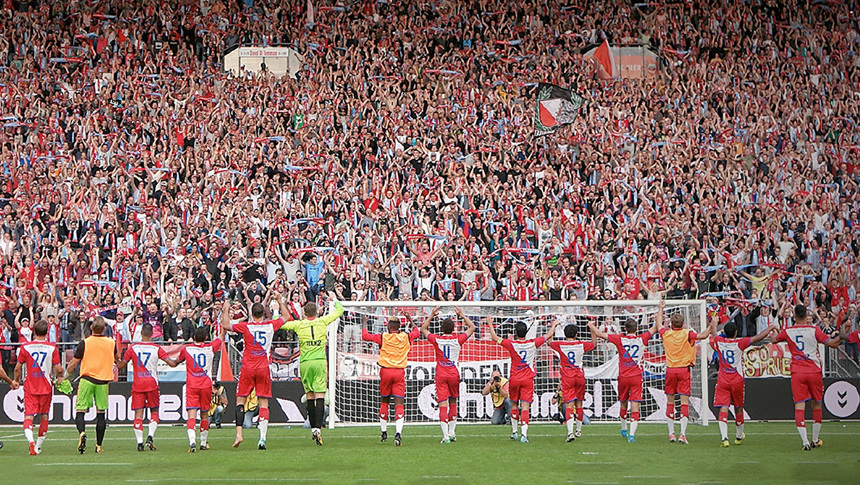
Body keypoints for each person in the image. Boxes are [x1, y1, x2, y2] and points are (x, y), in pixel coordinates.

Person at [277, 299, 344, 446]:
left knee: (310, 396)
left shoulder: (299, 324)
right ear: (317, 311)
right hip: (320, 361)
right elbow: (340, 311)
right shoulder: (323, 321)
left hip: (305, 363)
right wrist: (335, 300)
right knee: (320, 396)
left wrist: (278, 308)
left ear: (304, 313)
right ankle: (319, 429)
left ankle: (313, 428)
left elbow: (280, 323)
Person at [774, 304, 842, 450]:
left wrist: (773, 331)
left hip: (797, 373)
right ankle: (815, 439)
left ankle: (805, 442)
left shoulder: (788, 331)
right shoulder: (814, 330)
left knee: (799, 406)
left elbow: (774, 339)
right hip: (814, 371)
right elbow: (831, 344)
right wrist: (841, 335)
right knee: (816, 404)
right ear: (806, 315)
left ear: (794, 316)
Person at [221, 299, 286, 450]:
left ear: (251, 314)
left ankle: (239, 434)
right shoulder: (270, 325)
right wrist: (279, 300)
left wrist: (226, 309)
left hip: (248, 367)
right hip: (263, 367)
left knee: (240, 401)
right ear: (264, 314)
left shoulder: (246, 326)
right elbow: (287, 316)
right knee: (263, 402)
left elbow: (225, 325)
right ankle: (262, 438)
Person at [588, 316, 660, 443]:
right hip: (636, 377)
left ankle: (623, 429)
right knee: (635, 405)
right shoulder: (642, 338)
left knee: (623, 402)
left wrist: (591, 325)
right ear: (636, 329)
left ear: (625, 329)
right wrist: (659, 310)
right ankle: (631, 436)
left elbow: (599, 334)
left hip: (623, 377)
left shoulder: (619, 338)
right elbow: (656, 327)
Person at [488, 318, 558, 443]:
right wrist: (553, 325)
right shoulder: (532, 343)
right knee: (525, 407)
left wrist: (489, 322)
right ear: (526, 332)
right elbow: (548, 335)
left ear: (515, 333)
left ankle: (514, 432)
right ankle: (524, 435)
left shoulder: (511, 344)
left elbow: (494, 337)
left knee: (514, 404)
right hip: (527, 379)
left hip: (515, 379)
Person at [711, 319, 778, 447]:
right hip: (737, 380)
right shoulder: (739, 343)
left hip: (723, 380)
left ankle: (724, 438)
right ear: (736, 333)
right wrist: (770, 328)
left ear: (724, 332)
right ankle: (738, 436)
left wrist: (714, 322)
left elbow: (714, 333)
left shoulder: (719, 341)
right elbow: (757, 338)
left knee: (723, 408)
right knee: (738, 407)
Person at [657, 299, 712, 444]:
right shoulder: (687, 334)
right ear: (683, 324)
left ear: (671, 324)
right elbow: (704, 335)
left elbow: (658, 325)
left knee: (670, 402)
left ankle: (671, 433)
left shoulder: (666, 334)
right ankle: (682, 434)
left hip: (670, 370)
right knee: (684, 403)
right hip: (683, 371)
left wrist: (660, 309)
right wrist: (713, 324)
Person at [419, 306, 476, 443]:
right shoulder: (458, 339)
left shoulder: (437, 339)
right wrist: (462, 314)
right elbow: (473, 327)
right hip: (453, 373)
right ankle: (452, 432)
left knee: (442, 404)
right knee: (453, 401)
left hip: (441, 373)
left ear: (441, 329)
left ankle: (445, 436)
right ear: (454, 328)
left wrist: (432, 314)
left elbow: (423, 329)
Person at [117, 323, 177, 451]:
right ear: (152, 334)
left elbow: (121, 366)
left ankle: (139, 443)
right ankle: (150, 436)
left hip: (138, 384)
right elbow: (171, 364)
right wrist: (181, 359)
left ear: (141, 333)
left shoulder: (133, 348)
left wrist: (115, 358)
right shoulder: (157, 348)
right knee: (154, 411)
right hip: (152, 384)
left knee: (138, 414)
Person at [362, 314, 421, 446]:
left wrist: (365, 322)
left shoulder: (384, 337)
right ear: (399, 327)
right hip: (399, 372)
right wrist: (410, 319)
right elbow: (417, 332)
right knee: (399, 404)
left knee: (385, 401)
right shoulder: (405, 336)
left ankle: (383, 432)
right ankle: (398, 434)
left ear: (389, 327)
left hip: (386, 371)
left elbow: (365, 336)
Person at [65, 317, 121, 454]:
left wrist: (64, 377)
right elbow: (117, 358)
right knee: (101, 414)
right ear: (104, 329)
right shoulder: (111, 343)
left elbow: (73, 363)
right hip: (103, 382)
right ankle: (98, 445)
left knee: (80, 410)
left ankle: (82, 433)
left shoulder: (85, 343)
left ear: (91, 328)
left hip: (87, 380)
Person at [13, 319, 64, 455]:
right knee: (44, 417)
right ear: (47, 332)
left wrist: (16, 380)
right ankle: (38, 446)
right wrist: (61, 376)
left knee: (28, 416)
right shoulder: (52, 347)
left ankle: (31, 441)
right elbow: (58, 368)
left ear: (34, 331)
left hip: (30, 386)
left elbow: (18, 368)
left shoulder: (25, 347)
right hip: (46, 386)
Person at [176, 326, 224, 453]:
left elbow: (176, 361)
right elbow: (221, 336)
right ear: (206, 337)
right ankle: (203, 443)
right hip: (206, 385)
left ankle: (192, 442)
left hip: (192, 385)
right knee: (204, 414)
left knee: (191, 414)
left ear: (194, 337)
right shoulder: (210, 348)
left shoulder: (187, 349)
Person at [549, 323, 594, 442]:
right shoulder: (581, 344)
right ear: (576, 334)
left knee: (569, 404)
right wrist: (592, 329)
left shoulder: (560, 344)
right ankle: (579, 430)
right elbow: (594, 344)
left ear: (564, 334)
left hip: (567, 377)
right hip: (579, 376)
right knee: (579, 403)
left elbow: (548, 341)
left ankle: (570, 433)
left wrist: (553, 326)